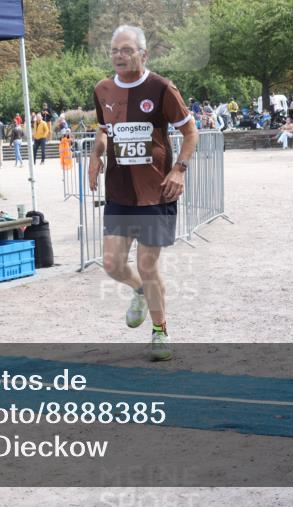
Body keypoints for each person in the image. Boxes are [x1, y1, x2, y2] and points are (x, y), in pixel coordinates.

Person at [89, 25, 197, 362]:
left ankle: (160, 330)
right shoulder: (103, 90)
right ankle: (138, 291)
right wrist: (95, 156)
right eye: (114, 50)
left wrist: (179, 169)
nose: (119, 55)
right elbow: (105, 131)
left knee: (147, 265)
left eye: (126, 50)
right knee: (110, 264)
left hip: (157, 192)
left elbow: (191, 133)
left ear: (143, 54)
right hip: (120, 192)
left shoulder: (162, 88)